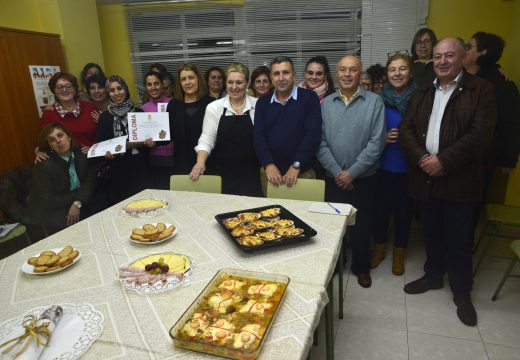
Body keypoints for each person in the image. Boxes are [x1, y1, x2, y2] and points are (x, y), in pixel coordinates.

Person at [399, 38, 497, 326]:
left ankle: (462, 293)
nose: (442, 61)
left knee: (459, 240)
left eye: (449, 56)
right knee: (431, 232)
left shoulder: (482, 90)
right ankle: (433, 276)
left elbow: (481, 136)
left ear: (463, 57)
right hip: (426, 179)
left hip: (460, 180)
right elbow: (406, 130)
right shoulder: (423, 91)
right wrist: (422, 159)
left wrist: (444, 161)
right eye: (438, 56)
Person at [317, 55, 386, 288]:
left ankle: (361, 267)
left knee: (362, 226)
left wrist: (352, 173)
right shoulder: (326, 103)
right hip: (333, 177)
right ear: (336, 74)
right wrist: (338, 172)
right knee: (334, 225)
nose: (347, 74)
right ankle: (336, 264)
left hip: (364, 178)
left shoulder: (374, 102)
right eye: (343, 70)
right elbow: (320, 143)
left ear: (360, 74)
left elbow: (376, 144)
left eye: (353, 70)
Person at [371, 53, 417, 276]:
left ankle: (399, 253)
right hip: (383, 166)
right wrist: (382, 137)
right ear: (387, 74)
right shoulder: (378, 100)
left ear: (410, 72)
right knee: (380, 212)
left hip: (409, 167)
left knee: (403, 213)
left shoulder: (421, 99)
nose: (397, 73)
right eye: (392, 70)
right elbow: (369, 133)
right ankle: (379, 249)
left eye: (402, 69)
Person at [191, 63, 262, 196]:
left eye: (239, 82)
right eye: (230, 82)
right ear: (225, 83)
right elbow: (207, 138)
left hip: (252, 172)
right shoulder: (214, 108)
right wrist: (200, 163)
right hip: (223, 173)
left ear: (247, 83)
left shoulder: (258, 106)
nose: (234, 87)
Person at [254, 56, 322, 188]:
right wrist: (268, 164)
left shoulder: (309, 98)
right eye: (276, 74)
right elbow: (259, 137)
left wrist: (296, 164)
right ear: (271, 78)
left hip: (302, 172)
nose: (281, 78)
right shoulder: (262, 103)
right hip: (271, 174)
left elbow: (312, 135)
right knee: (270, 209)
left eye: (285, 72)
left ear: (294, 75)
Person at [28, 122, 96, 234]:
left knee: (100, 201)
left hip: (77, 201)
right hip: (54, 208)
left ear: (68, 137)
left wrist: (77, 202)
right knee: (76, 225)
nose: (58, 141)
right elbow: (48, 201)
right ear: (50, 146)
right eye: (52, 140)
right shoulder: (44, 166)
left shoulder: (82, 153)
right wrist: (78, 197)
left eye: (60, 135)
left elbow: (90, 182)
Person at [96, 75, 153, 204]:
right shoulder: (105, 117)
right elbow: (101, 144)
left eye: (119, 88)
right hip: (118, 170)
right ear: (108, 93)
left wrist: (150, 142)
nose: (117, 93)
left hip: (140, 168)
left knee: (145, 204)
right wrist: (107, 153)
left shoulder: (139, 113)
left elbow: (148, 139)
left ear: (125, 89)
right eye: (112, 90)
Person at [37, 72, 98, 162]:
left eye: (68, 86)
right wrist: (38, 151)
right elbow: (43, 142)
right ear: (54, 91)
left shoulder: (90, 108)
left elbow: (101, 135)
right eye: (59, 87)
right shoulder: (48, 114)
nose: (64, 90)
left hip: (92, 161)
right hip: (63, 165)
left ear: (74, 89)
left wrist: (93, 149)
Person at [167, 63, 215, 175]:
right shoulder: (173, 105)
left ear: (198, 79)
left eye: (191, 78)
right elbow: (167, 134)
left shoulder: (211, 103)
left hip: (208, 162)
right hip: (181, 164)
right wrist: (152, 140)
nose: (187, 82)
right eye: (183, 79)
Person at [140, 71, 173, 189]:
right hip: (154, 160)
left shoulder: (174, 104)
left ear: (162, 85)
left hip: (174, 157)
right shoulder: (142, 110)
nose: (153, 87)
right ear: (146, 87)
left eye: (156, 83)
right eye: (149, 84)